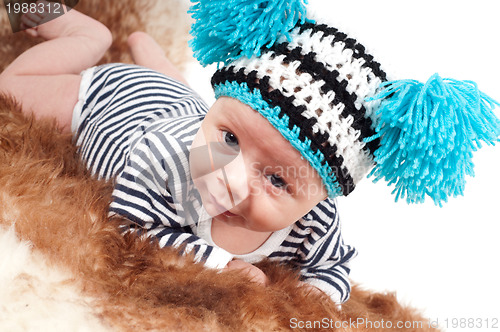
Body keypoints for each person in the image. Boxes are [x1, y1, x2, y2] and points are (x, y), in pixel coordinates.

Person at [1, 0, 498, 306]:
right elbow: (130, 226)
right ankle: (84, 33)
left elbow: (334, 268)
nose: (232, 180)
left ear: (323, 196)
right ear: (223, 110)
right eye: (231, 141)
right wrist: (220, 264)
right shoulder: (163, 159)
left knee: (189, 101)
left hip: (191, 106)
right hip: (113, 101)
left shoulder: (315, 222)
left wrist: (314, 298)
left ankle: (150, 53)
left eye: (278, 180)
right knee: (13, 87)